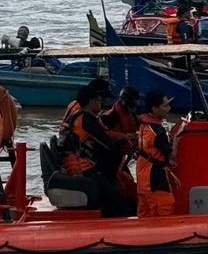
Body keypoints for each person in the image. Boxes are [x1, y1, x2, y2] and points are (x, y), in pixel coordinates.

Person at [61, 86, 130, 217]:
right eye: (98, 100)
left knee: (116, 187)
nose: (101, 103)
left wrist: (124, 136)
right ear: (90, 101)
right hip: (82, 168)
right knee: (116, 198)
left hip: (81, 164)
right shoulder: (87, 120)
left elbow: (104, 136)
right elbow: (107, 143)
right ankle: (118, 219)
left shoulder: (80, 116)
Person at [136, 90, 179, 218]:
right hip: (154, 176)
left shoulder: (144, 124)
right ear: (155, 109)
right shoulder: (157, 131)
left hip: (143, 172)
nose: (169, 108)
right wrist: (177, 141)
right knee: (164, 206)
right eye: (165, 105)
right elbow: (172, 155)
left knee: (145, 211)